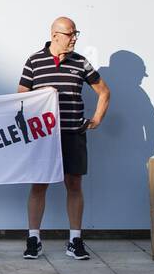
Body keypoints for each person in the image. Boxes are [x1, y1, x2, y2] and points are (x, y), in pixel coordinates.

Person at [18, 16, 111, 261]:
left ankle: (75, 240)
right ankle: (33, 239)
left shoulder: (80, 62)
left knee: (74, 185)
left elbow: (104, 91)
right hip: (45, 137)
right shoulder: (34, 61)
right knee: (39, 185)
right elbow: (21, 96)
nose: (74, 38)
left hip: (73, 134)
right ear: (55, 35)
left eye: (75, 33)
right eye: (70, 34)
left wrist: (96, 119)